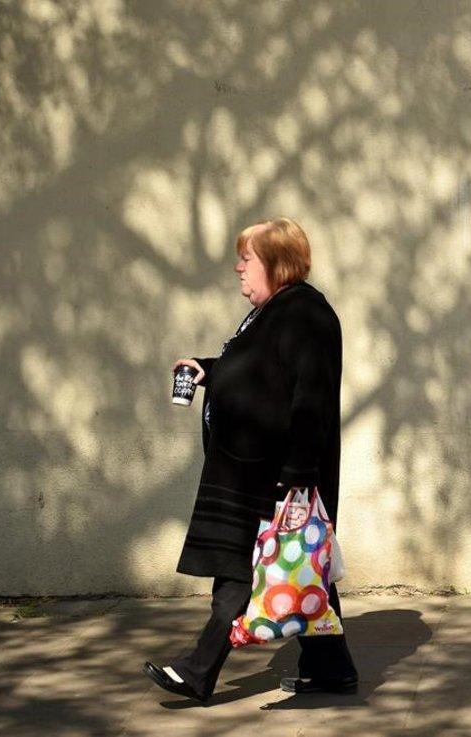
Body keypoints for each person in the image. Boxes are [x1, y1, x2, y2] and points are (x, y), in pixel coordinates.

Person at [143, 217, 358, 703]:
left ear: (277, 264)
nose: (238, 268)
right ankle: (332, 668)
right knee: (299, 568)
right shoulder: (274, 313)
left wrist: (299, 479)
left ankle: (198, 671)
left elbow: (311, 399)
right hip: (256, 472)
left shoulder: (307, 315)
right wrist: (209, 371)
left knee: (242, 572)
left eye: (247, 258)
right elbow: (261, 376)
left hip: (275, 476)